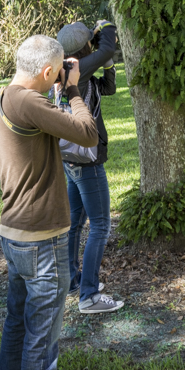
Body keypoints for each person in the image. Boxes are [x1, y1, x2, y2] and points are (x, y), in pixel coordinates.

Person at [0, 34, 98, 370]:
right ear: (48, 72)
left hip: (13, 232)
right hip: (42, 241)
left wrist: (56, 86)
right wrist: (71, 90)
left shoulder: (1, 99)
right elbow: (87, 133)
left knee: (17, 323)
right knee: (41, 341)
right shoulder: (32, 103)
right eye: (56, 72)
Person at [55, 19, 124, 314]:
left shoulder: (67, 71)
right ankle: (89, 296)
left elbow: (108, 90)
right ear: (85, 48)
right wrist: (105, 26)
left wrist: (108, 64)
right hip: (87, 159)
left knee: (76, 223)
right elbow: (108, 44)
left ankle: (72, 280)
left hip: (72, 159)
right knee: (100, 225)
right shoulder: (76, 69)